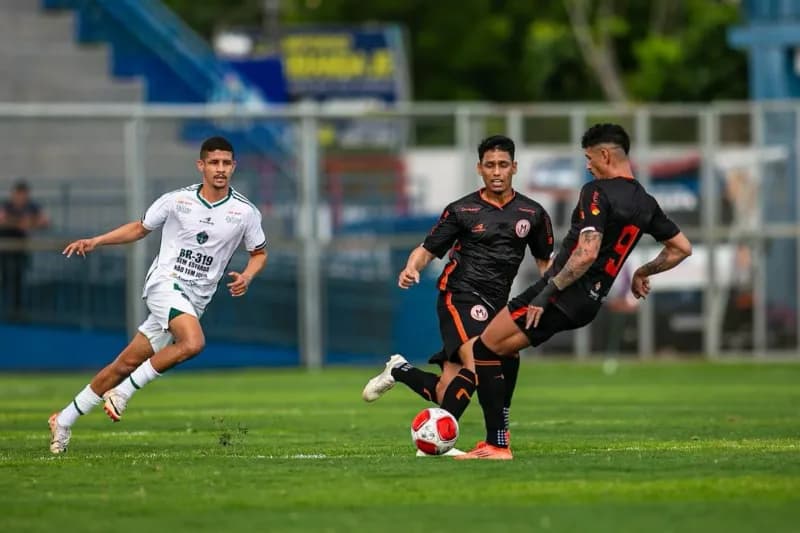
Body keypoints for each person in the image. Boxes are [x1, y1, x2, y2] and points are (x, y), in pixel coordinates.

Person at [451, 123, 693, 460]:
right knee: (502, 349)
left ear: (605, 155)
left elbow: (587, 252)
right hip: (589, 301)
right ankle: (496, 440)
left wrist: (545, 292)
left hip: (563, 292)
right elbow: (681, 247)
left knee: (484, 349)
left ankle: (497, 444)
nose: (588, 165)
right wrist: (642, 271)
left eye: (589, 157)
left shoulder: (596, 191)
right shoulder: (645, 201)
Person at [48, 136, 267, 454]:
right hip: (165, 284)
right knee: (193, 343)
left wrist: (247, 275)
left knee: (124, 364)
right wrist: (95, 241)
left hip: (196, 300)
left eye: (226, 163)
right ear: (201, 165)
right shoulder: (177, 201)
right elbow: (139, 228)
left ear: (233, 166)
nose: (220, 169)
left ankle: (64, 420)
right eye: (214, 163)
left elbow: (259, 253)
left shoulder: (245, 212)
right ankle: (122, 394)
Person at [361, 135, 554, 455]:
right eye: (490, 165)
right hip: (460, 295)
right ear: (479, 168)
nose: (496, 171)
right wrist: (412, 268)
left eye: (503, 165)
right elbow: (426, 250)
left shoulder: (532, 214)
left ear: (514, 168)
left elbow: (546, 263)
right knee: (481, 363)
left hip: (497, 304)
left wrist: (547, 298)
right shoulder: (462, 210)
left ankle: (399, 370)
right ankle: (459, 444)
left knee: (446, 389)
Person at [0, 180, 49, 321]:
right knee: (7, 279)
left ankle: (16, 311)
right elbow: (2, 220)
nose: (22, 198)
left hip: (21, 249)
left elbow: (44, 221)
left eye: (24, 195)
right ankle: (8, 309)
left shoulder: (31, 206)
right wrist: (20, 222)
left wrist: (29, 222)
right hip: (6, 249)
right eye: (19, 195)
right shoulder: (7, 205)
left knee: (18, 279)